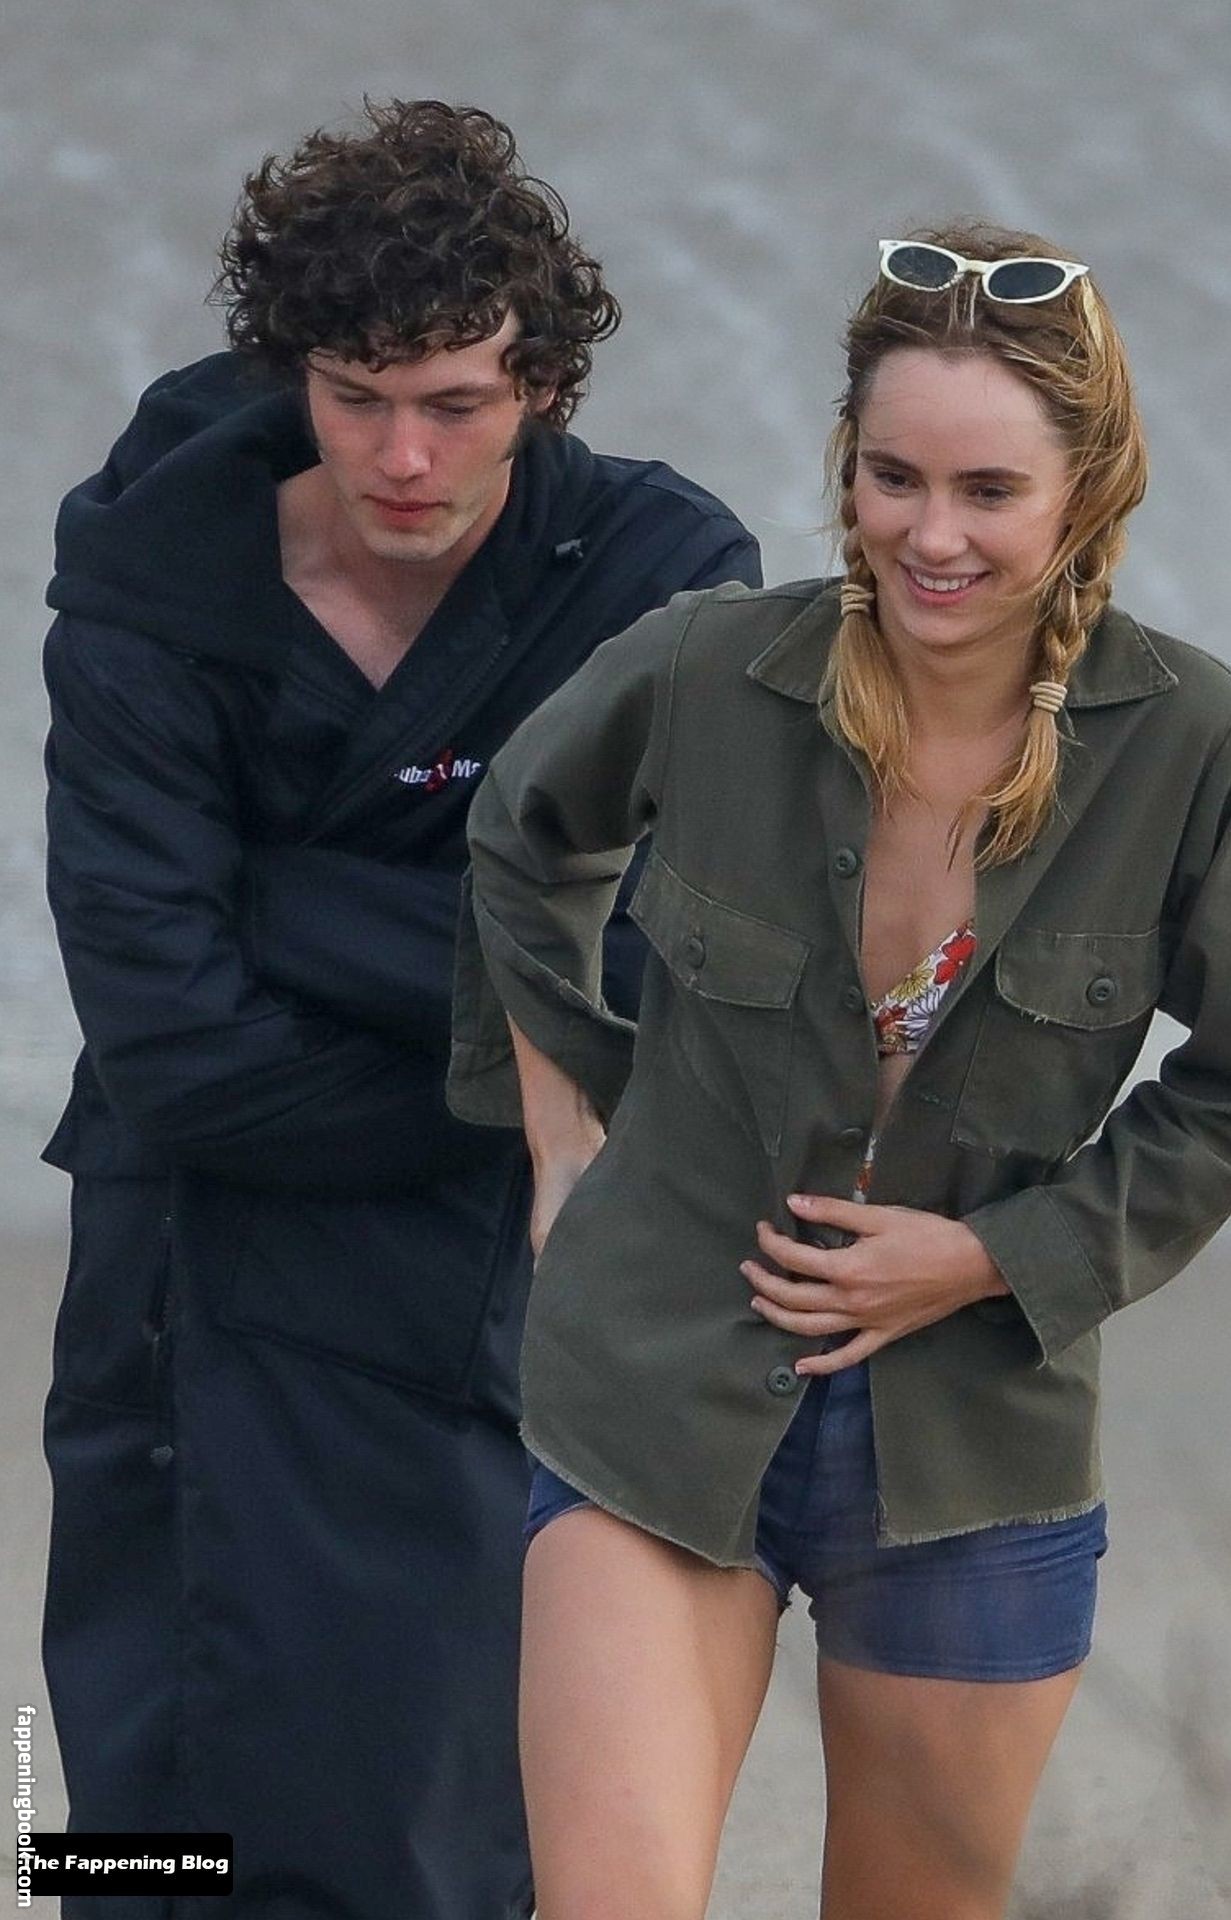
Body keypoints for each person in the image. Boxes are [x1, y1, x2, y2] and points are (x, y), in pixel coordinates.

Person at [449, 223, 1231, 1919]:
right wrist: (561, 1124)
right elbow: (521, 839)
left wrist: (994, 1256)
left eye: (989, 490)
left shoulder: (1190, 743)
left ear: (1085, 492)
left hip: (973, 1442)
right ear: (847, 463)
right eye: (893, 476)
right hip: (656, 1380)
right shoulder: (706, 670)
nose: (931, 534)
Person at [40, 97, 760, 1920]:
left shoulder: (664, 586)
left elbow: (654, 989)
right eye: (356, 398)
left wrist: (280, 909)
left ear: (545, 385)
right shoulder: (150, 577)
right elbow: (176, 1056)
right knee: (138, 1814)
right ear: (291, 370)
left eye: (455, 401)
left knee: (434, 1830)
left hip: (495, 1286)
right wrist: (512, 1040)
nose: (405, 456)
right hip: (178, 1278)